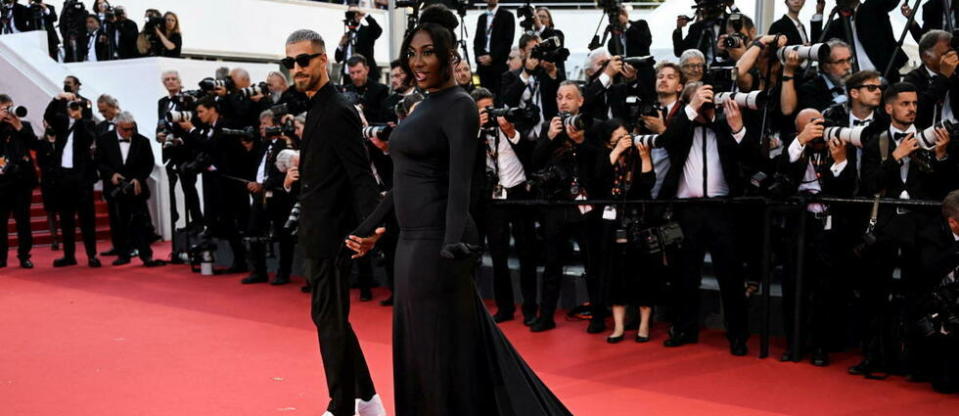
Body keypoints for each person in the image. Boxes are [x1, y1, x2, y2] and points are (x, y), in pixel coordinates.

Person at [345, 6, 571, 415]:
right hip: (410, 244)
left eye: (428, 52)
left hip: (440, 242)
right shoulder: (421, 107)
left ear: (450, 57)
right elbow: (403, 183)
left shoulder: (459, 105)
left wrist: (451, 244)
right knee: (418, 347)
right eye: (411, 54)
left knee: (440, 349)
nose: (417, 62)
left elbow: (460, 181)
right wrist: (368, 228)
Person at [282, 28, 386, 416]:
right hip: (317, 231)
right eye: (290, 62)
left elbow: (361, 175)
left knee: (330, 322)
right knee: (331, 319)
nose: (297, 68)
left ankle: (341, 406)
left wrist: (371, 226)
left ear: (323, 60)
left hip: (334, 235)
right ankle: (368, 399)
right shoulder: (318, 106)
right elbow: (330, 171)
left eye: (304, 60)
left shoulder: (338, 108)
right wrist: (298, 174)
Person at [854, 82, 955, 379]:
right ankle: (874, 358)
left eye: (914, 104)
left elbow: (944, 190)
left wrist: (940, 156)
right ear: (889, 108)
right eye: (905, 104)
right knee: (875, 294)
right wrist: (895, 157)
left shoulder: (931, 138)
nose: (912, 108)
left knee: (920, 296)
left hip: (921, 229)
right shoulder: (877, 143)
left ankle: (917, 364)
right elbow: (869, 185)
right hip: (885, 228)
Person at [657, 82, 750, 356]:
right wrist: (691, 107)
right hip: (688, 211)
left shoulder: (724, 126)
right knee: (685, 274)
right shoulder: (681, 130)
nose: (704, 107)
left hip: (722, 210)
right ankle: (684, 328)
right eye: (699, 102)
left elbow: (750, 156)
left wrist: (735, 126)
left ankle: (737, 335)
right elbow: (667, 140)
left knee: (730, 276)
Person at [779, 109, 858, 366]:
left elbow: (847, 189)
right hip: (798, 227)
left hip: (830, 229)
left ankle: (821, 347)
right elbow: (783, 176)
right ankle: (794, 344)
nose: (818, 130)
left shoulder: (839, 145)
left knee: (826, 289)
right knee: (794, 287)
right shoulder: (793, 149)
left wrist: (839, 161)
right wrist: (801, 141)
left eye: (820, 124)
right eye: (811, 126)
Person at [531, 81, 607, 334]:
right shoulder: (548, 127)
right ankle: (547, 315)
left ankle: (598, 315)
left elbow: (600, 168)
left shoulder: (594, 126)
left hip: (586, 205)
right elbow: (534, 163)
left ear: (580, 101)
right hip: (556, 205)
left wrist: (582, 141)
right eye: (559, 97)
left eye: (569, 97)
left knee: (593, 263)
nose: (563, 101)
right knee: (552, 264)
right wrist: (550, 138)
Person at [471, 87, 538, 325]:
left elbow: (531, 156)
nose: (488, 114)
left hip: (519, 193)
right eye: (482, 111)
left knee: (526, 253)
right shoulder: (473, 135)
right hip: (492, 198)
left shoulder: (511, 126)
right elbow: (470, 162)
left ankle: (531, 308)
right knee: (498, 256)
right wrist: (477, 128)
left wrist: (509, 131)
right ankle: (505, 307)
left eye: (490, 109)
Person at [594, 119, 658, 344]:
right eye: (618, 139)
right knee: (615, 276)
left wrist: (644, 157)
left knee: (643, 274)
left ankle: (643, 324)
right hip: (613, 224)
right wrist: (617, 151)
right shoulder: (605, 158)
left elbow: (649, 183)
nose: (624, 141)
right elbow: (598, 178)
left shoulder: (636, 158)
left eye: (626, 136)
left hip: (638, 223)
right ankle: (618, 326)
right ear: (608, 143)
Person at [94, 111, 164, 267]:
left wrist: (138, 178)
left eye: (131, 128)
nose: (129, 132)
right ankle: (122, 254)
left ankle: (146, 255)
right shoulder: (104, 140)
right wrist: (111, 174)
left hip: (136, 189)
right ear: (117, 126)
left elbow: (148, 163)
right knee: (118, 222)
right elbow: (99, 162)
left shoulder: (142, 141)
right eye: (125, 129)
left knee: (140, 222)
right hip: (115, 189)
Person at [43, 91, 101, 268]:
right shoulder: (61, 123)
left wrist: (80, 117)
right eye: (72, 108)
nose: (73, 110)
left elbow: (87, 139)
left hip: (82, 178)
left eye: (76, 107)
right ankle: (69, 256)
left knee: (87, 219)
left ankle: (92, 255)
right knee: (66, 218)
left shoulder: (88, 124)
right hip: (63, 178)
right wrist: (57, 99)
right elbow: (48, 116)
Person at [813, 0, 906, 80]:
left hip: (881, 77)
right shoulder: (837, 25)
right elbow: (817, 48)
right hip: (853, 82)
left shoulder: (872, 9)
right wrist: (819, 13)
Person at [0, 95, 36, 269]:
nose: (10, 112)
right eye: (5, 109)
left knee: (23, 222)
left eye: (11, 108)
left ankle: (24, 256)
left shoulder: (24, 126)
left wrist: (19, 127)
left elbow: (35, 145)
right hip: (1, 183)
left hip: (22, 182)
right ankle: (1, 257)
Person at [904, 30, 959, 130]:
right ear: (927, 57)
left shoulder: (955, 74)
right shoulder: (913, 79)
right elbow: (915, 111)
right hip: (927, 136)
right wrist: (943, 78)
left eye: (953, 52)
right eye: (946, 54)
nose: (952, 57)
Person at [796, 39, 854, 112]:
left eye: (849, 60)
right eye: (840, 62)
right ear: (825, 67)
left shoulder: (857, 83)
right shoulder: (810, 92)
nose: (847, 67)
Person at [473, 0, 514, 95]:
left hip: (499, 66)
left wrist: (492, 57)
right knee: (482, 96)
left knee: (498, 97)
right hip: (482, 66)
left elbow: (507, 41)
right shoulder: (482, 18)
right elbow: (477, 41)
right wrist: (478, 57)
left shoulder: (507, 16)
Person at [335, 5, 382, 81]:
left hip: (366, 77)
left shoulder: (367, 31)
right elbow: (337, 59)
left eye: (355, 13)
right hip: (349, 78)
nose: (352, 16)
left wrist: (365, 15)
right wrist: (340, 45)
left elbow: (378, 30)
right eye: (350, 13)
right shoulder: (347, 35)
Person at [343, 54, 389, 123]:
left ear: (367, 70)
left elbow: (383, 117)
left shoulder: (380, 90)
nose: (355, 77)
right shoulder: (346, 90)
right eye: (352, 73)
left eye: (359, 72)